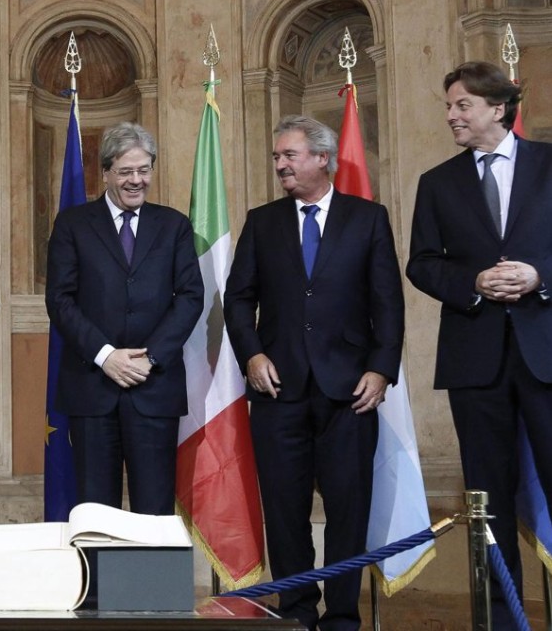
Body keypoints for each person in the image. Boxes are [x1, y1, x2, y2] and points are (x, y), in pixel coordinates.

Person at [224, 115, 404, 631]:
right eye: (278, 156)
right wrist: (253, 355)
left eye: (290, 155)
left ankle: (342, 616)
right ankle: (297, 612)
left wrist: (381, 369)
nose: (280, 163)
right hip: (277, 388)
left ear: (323, 158)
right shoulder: (262, 221)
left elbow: (387, 303)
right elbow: (239, 299)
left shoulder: (368, 218)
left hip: (350, 390)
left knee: (349, 509)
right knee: (284, 510)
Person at [406, 60, 552, 627]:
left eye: (462, 105)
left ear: (499, 108)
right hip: (475, 363)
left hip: (544, 355)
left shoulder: (548, 164)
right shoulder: (437, 182)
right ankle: (499, 620)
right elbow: (421, 264)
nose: (451, 116)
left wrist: (540, 277)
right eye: (449, 106)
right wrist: (471, 283)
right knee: (485, 501)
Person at [45, 122, 203, 516]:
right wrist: (105, 356)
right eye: (126, 171)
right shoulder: (72, 225)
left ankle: (151, 583)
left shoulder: (174, 226)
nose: (137, 180)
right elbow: (60, 300)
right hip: (91, 389)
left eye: (144, 169)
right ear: (106, 172)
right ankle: (99, 582)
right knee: (97, 512)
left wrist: (148, 358)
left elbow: (189, 297)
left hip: (155, 388)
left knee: (155, 510)